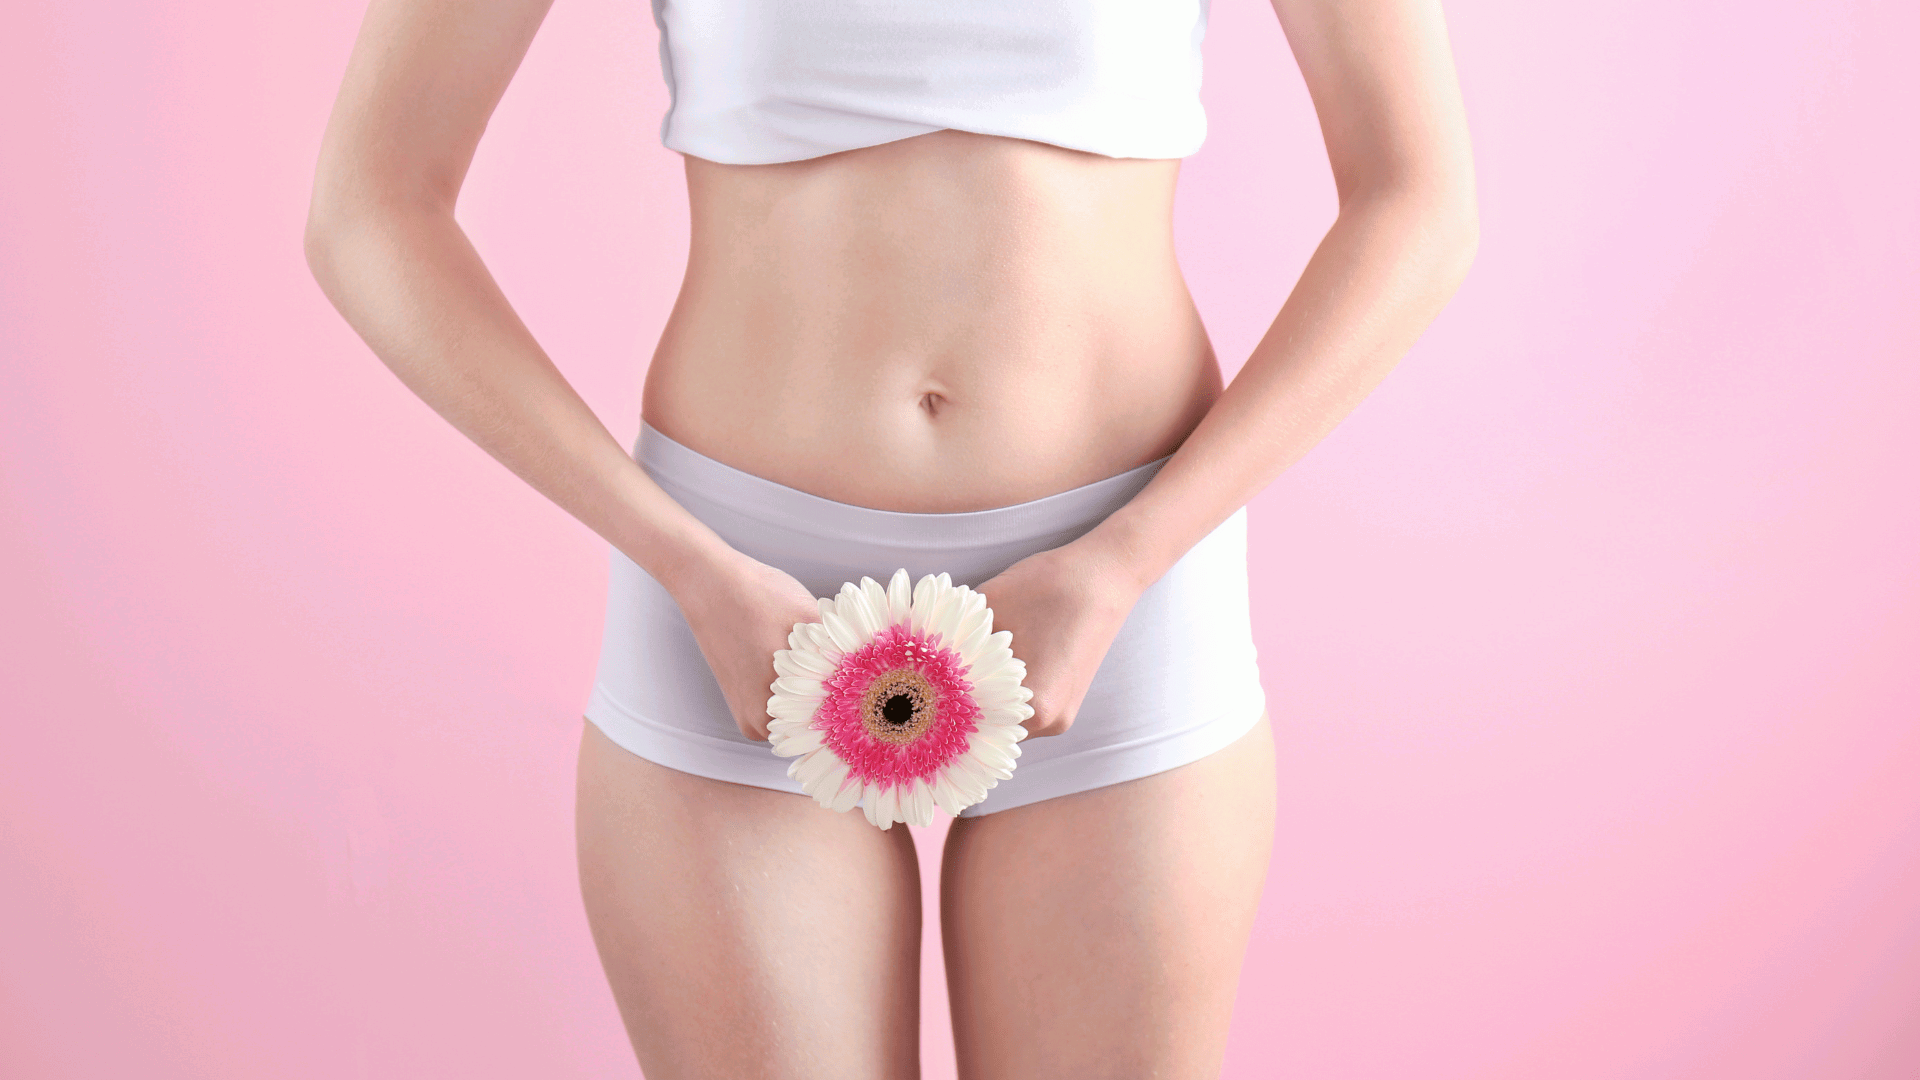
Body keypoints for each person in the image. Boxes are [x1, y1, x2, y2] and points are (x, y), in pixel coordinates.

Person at [304, 0, 1477, 1073]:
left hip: (1123, 578)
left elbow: (1418, 199)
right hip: (736, 589)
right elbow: (369, 207)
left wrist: (1124, 562)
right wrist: (678, 559)